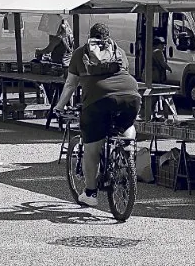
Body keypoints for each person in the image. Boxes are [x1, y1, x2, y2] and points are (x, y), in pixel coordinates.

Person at [56, 23, 141, 205]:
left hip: (98, 99)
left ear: (90, 36)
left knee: (91, 149)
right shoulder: (118, 50)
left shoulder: (80, 52)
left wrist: (59, 107)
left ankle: (90, 193)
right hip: (131, 94)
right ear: (108, 37)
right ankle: (126, 148)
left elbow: (71, 84)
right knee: (127, 124)